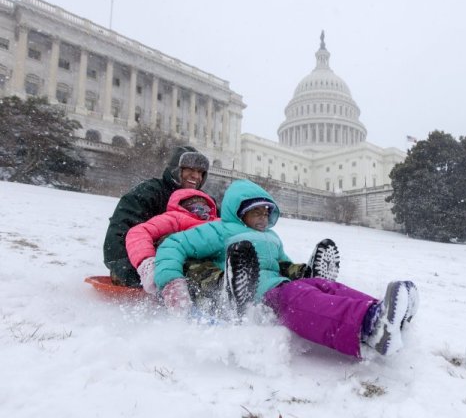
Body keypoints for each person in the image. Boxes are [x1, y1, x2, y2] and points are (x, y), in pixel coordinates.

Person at [154, 179, 419, 358]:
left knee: (321, 286)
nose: (263, 218)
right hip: (253, 295)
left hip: (278, 284)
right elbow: (174, 245)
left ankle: (383, 311)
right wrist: (170, 281)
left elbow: (282, 264)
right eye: (255, 212)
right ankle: (369, 324)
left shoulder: (272, 238)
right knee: (300, 299)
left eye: (266, 212)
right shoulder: (220, 229)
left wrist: (301, 273)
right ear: (238, 212)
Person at [103, 146, 210, 287]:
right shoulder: (150, 192)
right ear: (176, 169)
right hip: (147, 263)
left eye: (200, 172)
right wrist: (124, 267)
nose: (196, 176)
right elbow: (121, 226)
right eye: (190, 169)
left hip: (190, 264)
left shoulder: (204, 203)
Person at [125, 188, 219, 294]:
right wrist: (147, 262)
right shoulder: (175, 218)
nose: (203, 212)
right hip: (192, 259)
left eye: (206, 208)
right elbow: (139, 232)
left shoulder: (218, 222)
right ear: (183, 207)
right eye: (196, 208)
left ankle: (234, 279)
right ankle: (217, 285)